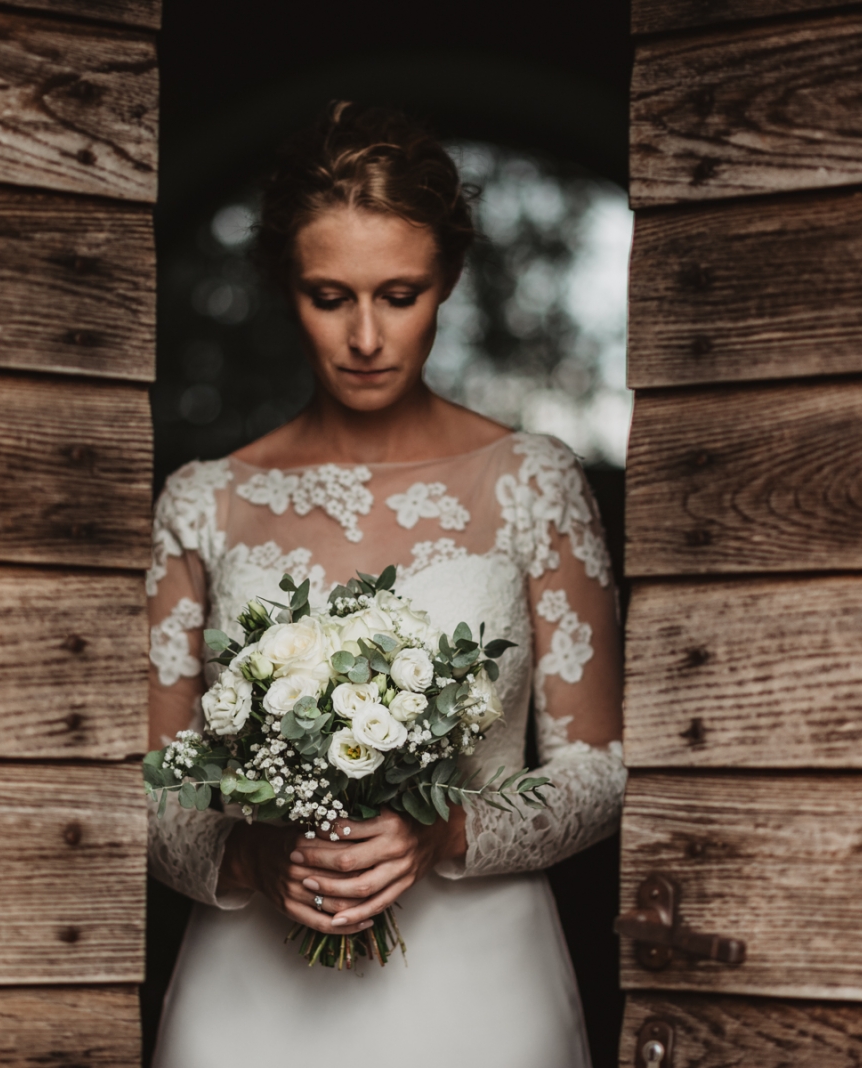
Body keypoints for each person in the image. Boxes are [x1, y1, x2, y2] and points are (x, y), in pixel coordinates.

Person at [146, 101, 625, 1068]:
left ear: (446, 279)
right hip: (248, 995)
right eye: (331, 297)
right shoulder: (204, 502)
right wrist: (250, 851)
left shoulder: (533, 483)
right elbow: (155, 785)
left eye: (399, 294)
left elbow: (601, 772)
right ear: (288, 288)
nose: (366, 335)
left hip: (481, 990)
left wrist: (445, 830)